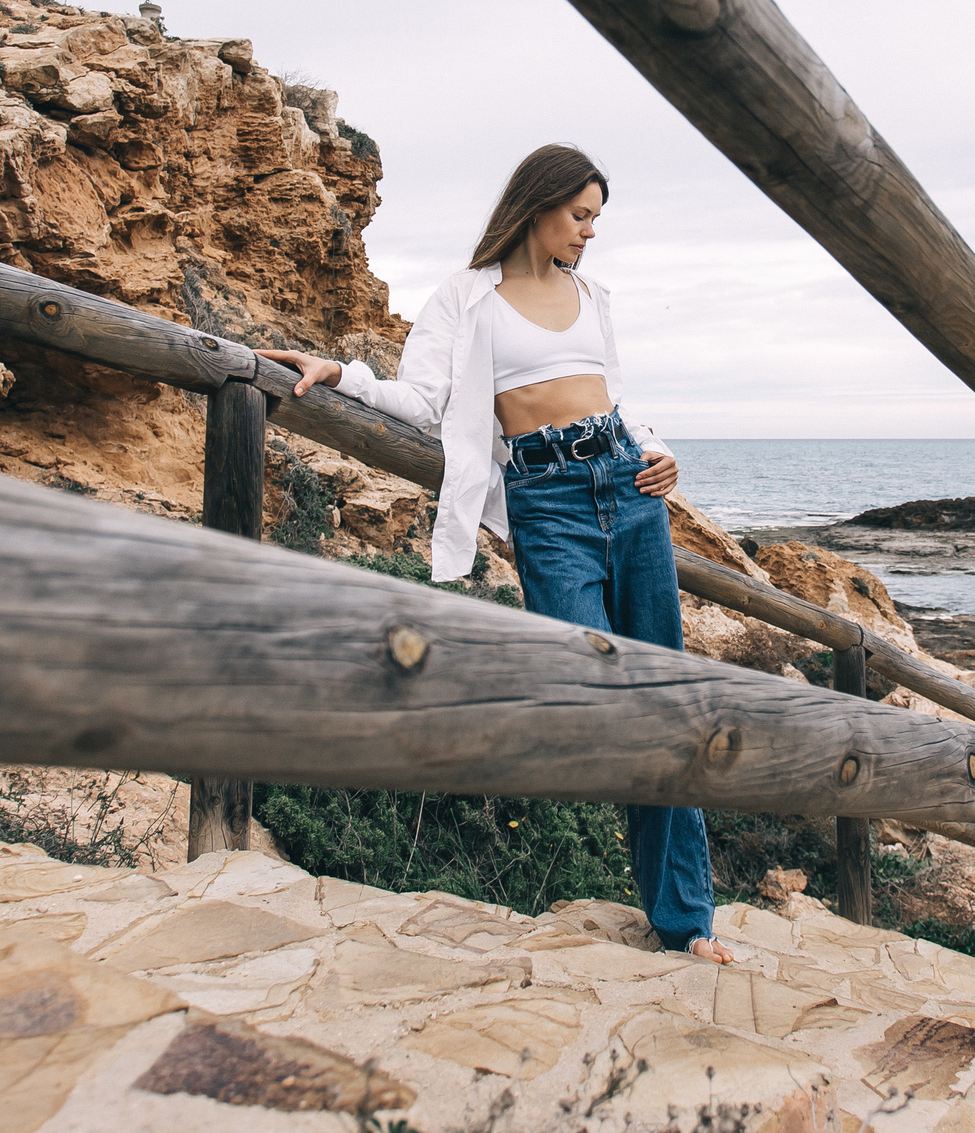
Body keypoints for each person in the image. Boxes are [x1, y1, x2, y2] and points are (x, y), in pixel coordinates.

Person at [259, 143, 734, 964]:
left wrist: (657, 448)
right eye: (580, 214)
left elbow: (614, 398)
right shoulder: (466, 296)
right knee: (587, 679)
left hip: (630, 488)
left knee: (667, 694)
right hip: (547, 500)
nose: (589, 232)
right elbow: (422, 399)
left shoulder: (593, 296)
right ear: (539, 204)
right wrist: (343, 376)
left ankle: (686, 921)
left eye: (596, 218)